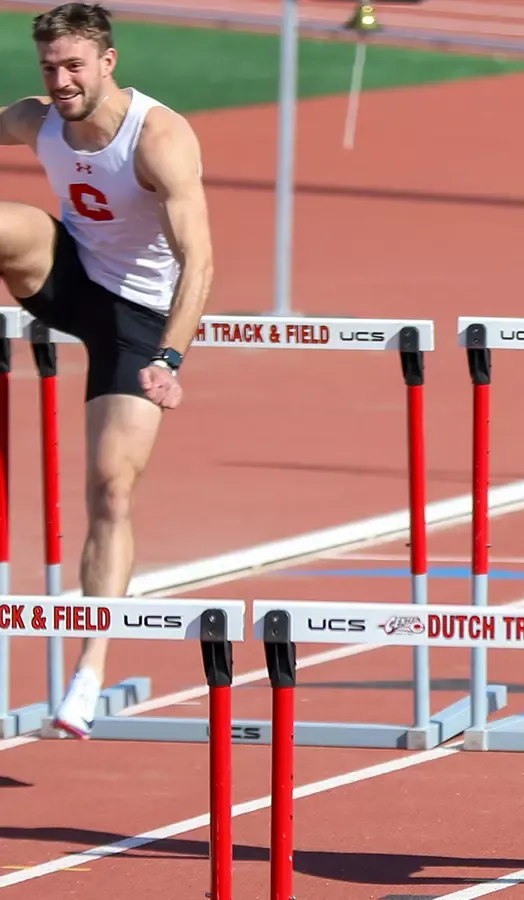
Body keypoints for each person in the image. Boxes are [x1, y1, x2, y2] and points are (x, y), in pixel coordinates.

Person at [0, 2, 212, 738]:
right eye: (50, 68)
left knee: (112, 491)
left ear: (108, 62)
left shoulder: (157, 137)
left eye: (74, 67)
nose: (60, 82)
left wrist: (169, 356)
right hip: (71, 279)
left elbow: (201, 259)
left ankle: (88, 671)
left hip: (139, 323)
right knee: (6, 221)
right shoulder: (37, 118)